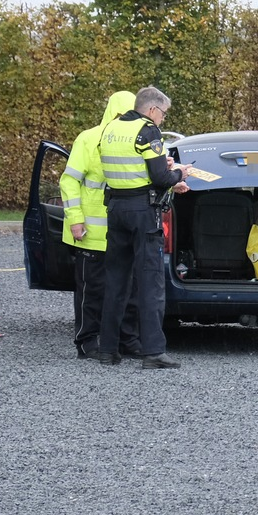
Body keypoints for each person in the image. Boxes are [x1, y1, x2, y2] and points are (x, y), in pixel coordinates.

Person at [93, 86, 193, 368]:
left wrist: (161, 167)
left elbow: (130, 167)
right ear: (151, 109)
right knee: (151, 282)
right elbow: (160, 178)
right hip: (142, 212)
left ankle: (107, 350)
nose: (163, 119)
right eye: (163, 113)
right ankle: (153, 352)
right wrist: (179, 173)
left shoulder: (111, 128)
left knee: (116, 281)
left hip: (116, 209)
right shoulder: (148, 131)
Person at [59, 91, 143, 359]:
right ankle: (87, 341)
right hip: (91, 232)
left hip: (122, 229)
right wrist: (75, 219)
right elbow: (69, 181)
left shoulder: (139, 138)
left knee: (129, 290)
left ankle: (126, 339)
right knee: (92, 291)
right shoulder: (89, 138)